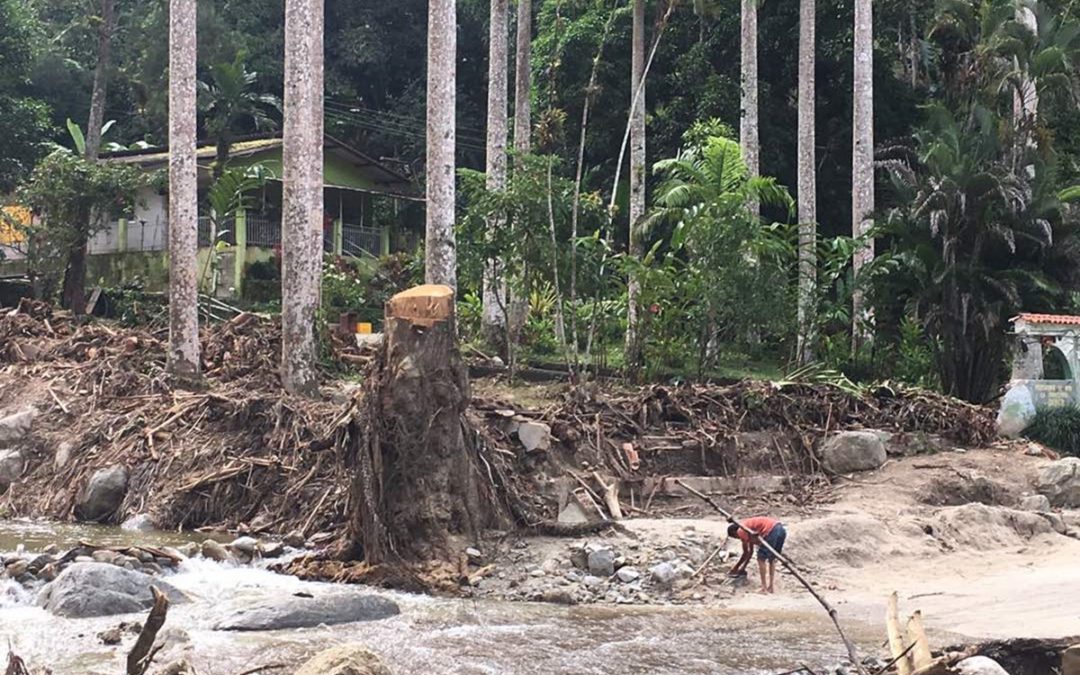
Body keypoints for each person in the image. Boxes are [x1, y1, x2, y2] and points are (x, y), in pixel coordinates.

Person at [727, 516, 787, 594]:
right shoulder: (748, 528)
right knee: (772, 559)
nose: (739, 539)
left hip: (771, 530)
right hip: (780, 529)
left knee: (761, 559)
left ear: (734, 533)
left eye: (736, 537)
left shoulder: (741, 531)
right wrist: (742, 568)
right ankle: (771, 587)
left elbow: (745, 553)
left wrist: (735, 568)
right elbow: (750, 552)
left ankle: (763, 588)